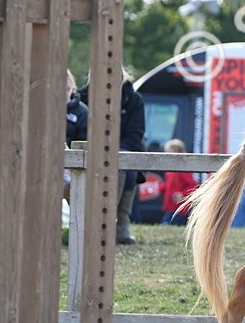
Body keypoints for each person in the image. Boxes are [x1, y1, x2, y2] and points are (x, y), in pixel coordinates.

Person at [82, 72, 146, 245]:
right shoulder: (84, 97)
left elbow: (135, 135)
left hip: (123, 151)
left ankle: (119, 222)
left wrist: (112, 151)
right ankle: (104, 222)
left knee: (127, 170)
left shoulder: (134, 100)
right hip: (92, 150)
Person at [160, 139, 199, 226]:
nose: (168, 156)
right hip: (170, 206)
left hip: (179, 208)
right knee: (167, 223)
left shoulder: (182, 169)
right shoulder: (171, 170)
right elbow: (169, 185)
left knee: (166, 224)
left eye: (171, 154)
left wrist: (182, 194)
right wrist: (159, 188)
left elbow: (193, 185)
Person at [65, 70, 88, 147]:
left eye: (68, 89)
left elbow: (84, 141)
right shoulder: (43, 109)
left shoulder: (82, 112)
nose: (65, 93)